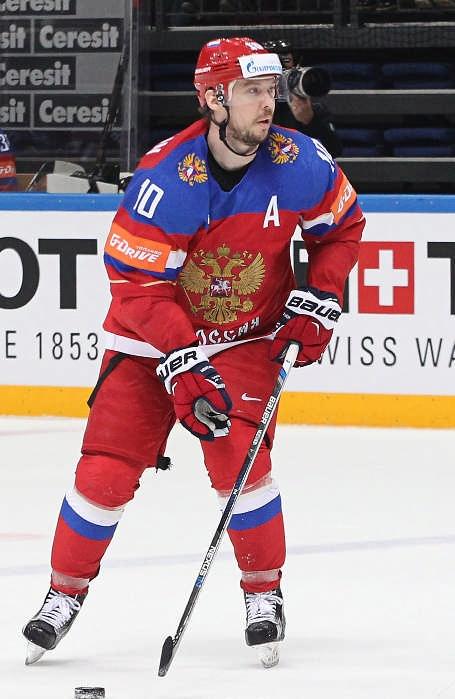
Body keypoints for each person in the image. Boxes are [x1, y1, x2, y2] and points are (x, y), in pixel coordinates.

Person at [23, 37, 365, 669]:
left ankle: (263, 593)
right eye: (251, 92)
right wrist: (183, 360)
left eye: (270, 90)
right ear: (213, 99)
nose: (267, 104)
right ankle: (62, 594)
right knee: (105, 470)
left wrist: (320, 294)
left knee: (241, 465)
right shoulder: (166, 177)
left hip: (244, 337)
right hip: (149, 341)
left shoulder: (299, 160)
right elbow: (136, 286)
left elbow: (342, 229)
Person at [263, 39, 343, 158]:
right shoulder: (251, 108)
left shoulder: (314, 109)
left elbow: (334, 151)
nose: (280, 74)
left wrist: (310, 121)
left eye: (286, 62)